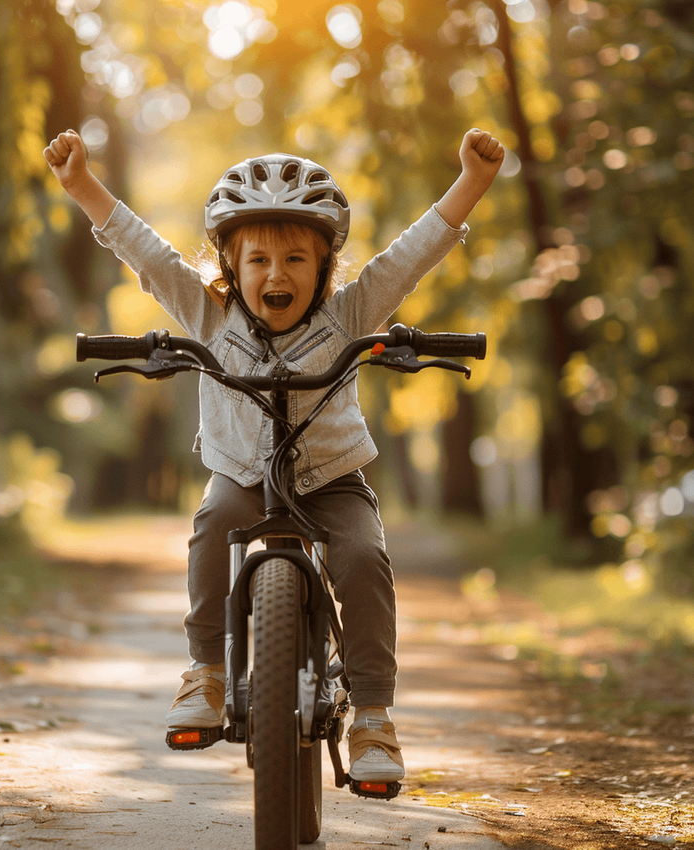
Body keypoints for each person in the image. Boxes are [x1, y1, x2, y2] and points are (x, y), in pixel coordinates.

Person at [44, 127, 504, 786]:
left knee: (366, 557)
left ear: (324, 269)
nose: (276, 274)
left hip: (332, 480)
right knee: (210, 528)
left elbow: (410, 256)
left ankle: (372, 712)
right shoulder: (208, 317)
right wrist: (82, 185)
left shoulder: (351, 314)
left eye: (295, 259)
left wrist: (472, 183)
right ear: (231, 268)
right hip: (241, 479)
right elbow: (146, 253)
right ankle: (205, 672)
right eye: (257, 260)